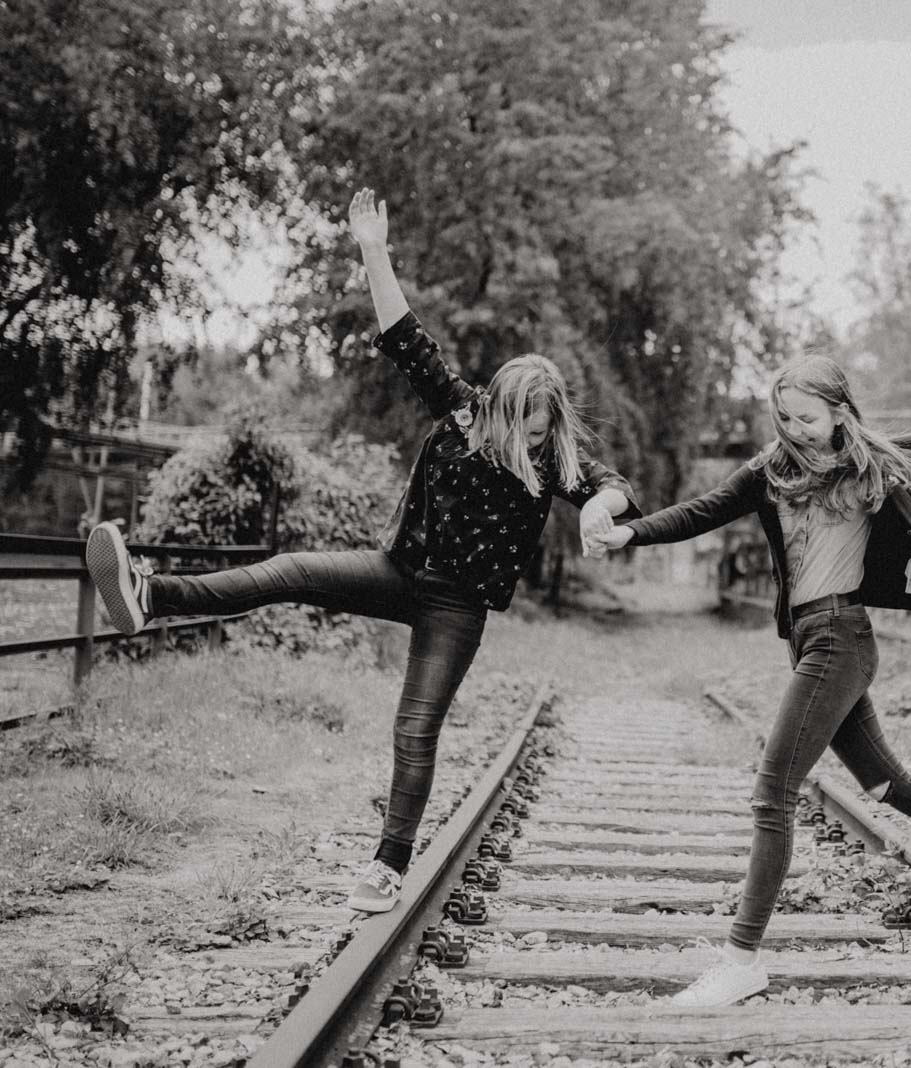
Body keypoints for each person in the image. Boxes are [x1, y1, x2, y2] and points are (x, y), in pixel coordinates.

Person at [85, 188, 639, 914]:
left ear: (551, 425)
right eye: (517, 426)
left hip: (456, 608)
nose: (523, 442)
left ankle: (388, 866)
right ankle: (149, 595)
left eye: (536, 432)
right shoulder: (463, 410)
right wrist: (374, 251)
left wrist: (601, 505)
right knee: (285, 570)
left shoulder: (554, 462)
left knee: (414, 727)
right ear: (494, 407)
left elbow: (613, 485)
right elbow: (404, 334)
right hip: (397, 571)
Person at [593, 355, 911, 1006]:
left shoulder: (875, 466)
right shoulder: (770, 472)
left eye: (808, 417)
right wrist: (628, 533)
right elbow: (701, 512)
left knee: (772, 794)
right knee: (887, 784)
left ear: (840, 411)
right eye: (784, 416)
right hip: (810, 642)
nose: (795, 428)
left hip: (842, 638)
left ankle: (743, 958)